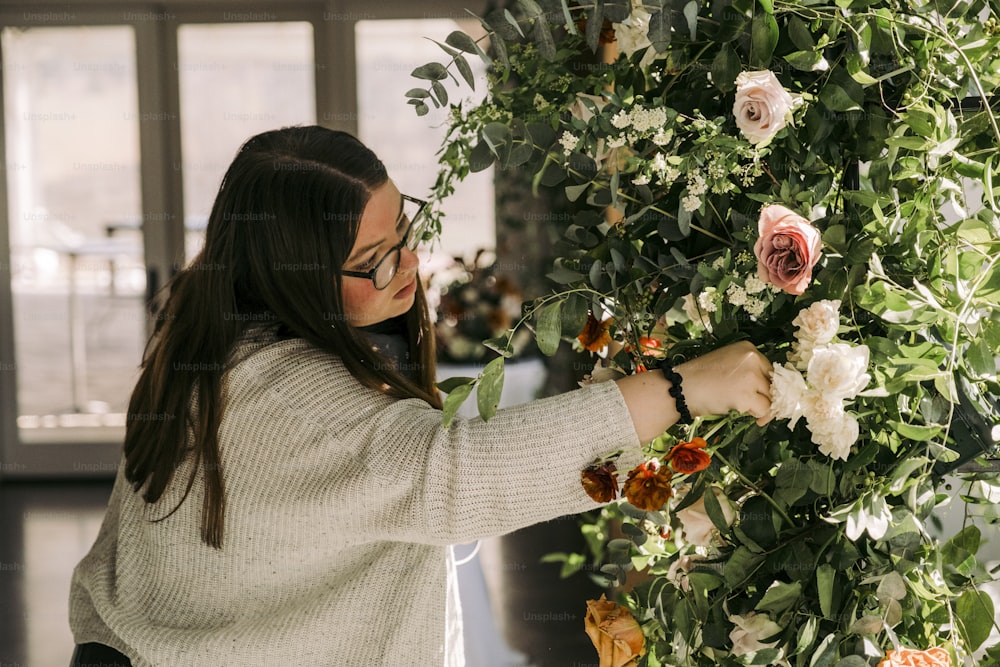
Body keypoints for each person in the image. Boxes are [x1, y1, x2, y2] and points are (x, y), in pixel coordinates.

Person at [68, 125, 772, 666]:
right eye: (370, 261)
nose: (404, 265)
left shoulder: (207, 338)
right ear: (294, 275)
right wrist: (684, 388)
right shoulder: (284, 397)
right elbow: (452, 471)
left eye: (402, 230)